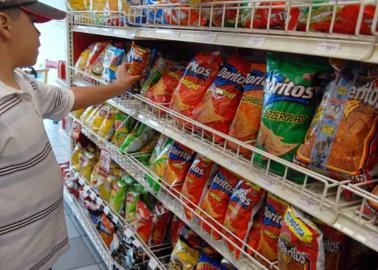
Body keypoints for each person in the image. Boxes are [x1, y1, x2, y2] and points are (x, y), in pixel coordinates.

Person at [0, 1, 140, 269]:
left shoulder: (21, 82)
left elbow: (67, 98)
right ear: (4, 24)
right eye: (33, 23)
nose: (40, 34)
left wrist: (117, 86)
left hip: (38, 253)